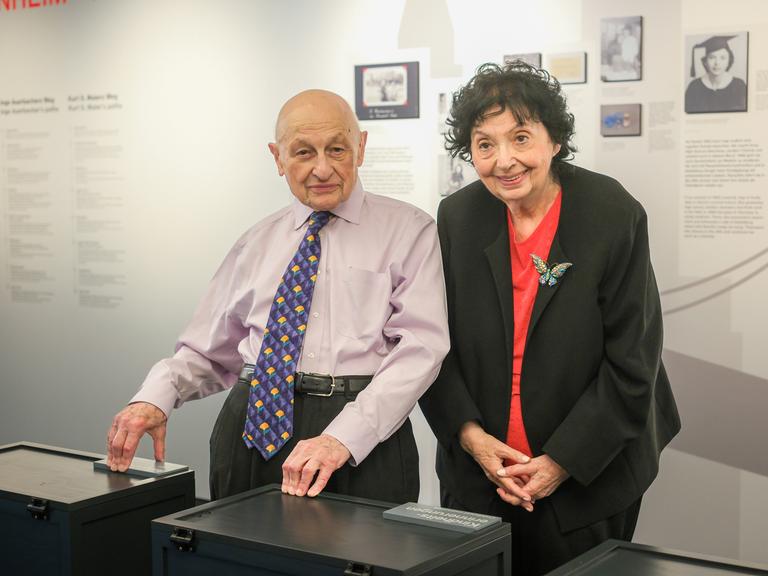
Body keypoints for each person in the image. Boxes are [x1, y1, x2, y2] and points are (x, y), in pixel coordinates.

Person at [107, 89, 449, 503]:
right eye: (304, 152)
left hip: (358, 437)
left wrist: (343, 438)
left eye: (336, 149)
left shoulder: (409, 231)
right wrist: (154, 398)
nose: (322, 168)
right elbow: (209, 350)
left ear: (360, 148)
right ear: (278, 158)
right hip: (250, 429)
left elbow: (421, 349)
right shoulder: (256, 242)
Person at [419, 62, 681, 576]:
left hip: (590, 470)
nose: (504, 160)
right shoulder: (457, 217)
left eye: (520, 137)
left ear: (554, 139)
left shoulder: (612, 213)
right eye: (485, 144)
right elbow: (433, 343)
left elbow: (633, 361)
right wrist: (469, 437)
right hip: (481, 475)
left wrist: (561, 461)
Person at [685, 35, 747, 113]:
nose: (717, 63)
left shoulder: (739, 86)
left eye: (722, 58)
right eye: (712, 57)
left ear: (729, 61)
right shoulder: (694, 87)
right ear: (705, 61)